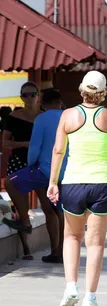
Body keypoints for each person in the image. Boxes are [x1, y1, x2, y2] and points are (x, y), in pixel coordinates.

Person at [47, 71, 107, 306]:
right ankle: (90, 298)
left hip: (72, 183)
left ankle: (71, 287)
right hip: (102, 184)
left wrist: (53, 182)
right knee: (96, 244)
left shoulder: (68, 115)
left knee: (72, 237)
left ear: (82, 90)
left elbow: (58, 151)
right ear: (103, 93)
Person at [2, 90, 68, 263]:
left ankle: (24, 220)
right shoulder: (71, 118)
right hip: (67, 172)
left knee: (10, 182)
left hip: (43, 171)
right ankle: (59, 252)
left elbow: (34, 149)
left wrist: (31, 166)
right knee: (58, 211)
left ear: (42, 104)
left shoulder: (42, 119)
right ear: (60, 102)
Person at [2, 81, 42, 260]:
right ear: (21, 97)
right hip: (18, 161)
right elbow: (5, 142)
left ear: (38, 96)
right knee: (21, 207)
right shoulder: (13, 117)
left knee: (49, 207)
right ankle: (26, 248)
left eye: (32, 94)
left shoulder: (44, 117)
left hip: (41, 164)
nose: (29, 98)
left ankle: (57, 250)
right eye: (25, 95)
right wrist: (25, 144)